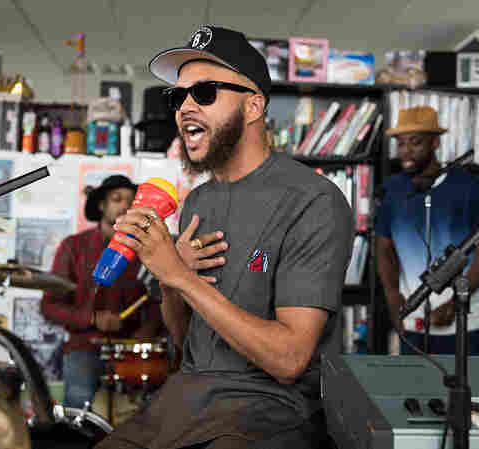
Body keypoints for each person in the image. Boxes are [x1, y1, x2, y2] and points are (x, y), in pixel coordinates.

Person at [94, 25, 354, 449]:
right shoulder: (197, 202)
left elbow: (289, 360)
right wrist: (169, 281)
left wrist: (181, 277)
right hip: (187, 399)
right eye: (178, 97)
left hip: (267, 409)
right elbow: (187, 344)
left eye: (205, 93)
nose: (185, 108)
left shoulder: (314, 201)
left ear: (253, 106)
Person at [375, 106, 479, 356]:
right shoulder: (392, 190)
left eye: (415, 142)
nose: (406, 151)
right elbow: (384, 248)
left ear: (435, 143)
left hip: (469, 321)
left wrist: (456, 302)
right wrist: (392, 296)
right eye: (400, 144)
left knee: (472, 392)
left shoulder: (473, 188)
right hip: (415, 323)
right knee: (418, 393)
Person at [41, 174, 162, 409]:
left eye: (131, 201)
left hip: (130, 350)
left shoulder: (145, 250)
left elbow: (156, 302)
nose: (125, 206)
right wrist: (92, 318)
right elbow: (49, 306)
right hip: (85, 346)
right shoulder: (73, 246)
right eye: (117, 199)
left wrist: (147, 331)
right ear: (101, 205)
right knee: (79, 403)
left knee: (145, 414)